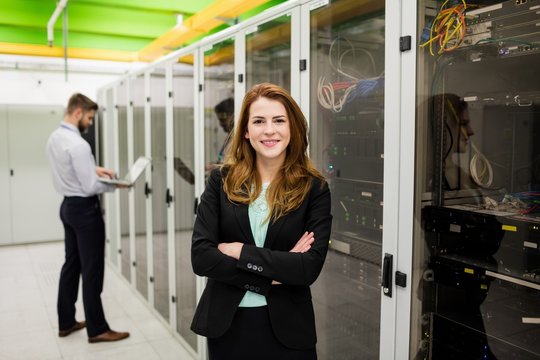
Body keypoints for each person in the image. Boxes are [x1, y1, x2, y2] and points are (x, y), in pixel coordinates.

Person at [191, 83, 332, 359]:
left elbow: (307, 268)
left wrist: (238, 251)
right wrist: (276, 272)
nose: (269, 130)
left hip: (289, 328)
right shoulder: (221, 181)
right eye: (259, 121)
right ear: (246, 130)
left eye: (279, 120)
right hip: (228, 326)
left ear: (292, 128)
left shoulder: (313, 188)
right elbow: (201, 258)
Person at [46, 93, 130, 343]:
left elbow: (69, 167)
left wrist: (94, 169)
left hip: (68, 208)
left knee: (71, 265)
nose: (90, 123)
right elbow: (91, 186)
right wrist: (116, 184)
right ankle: (97, 329)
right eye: (90, 118)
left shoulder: (55, 138)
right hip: (85, 211)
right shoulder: (80, 144)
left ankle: (66, 321)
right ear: (78, 112)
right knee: (92, 270)